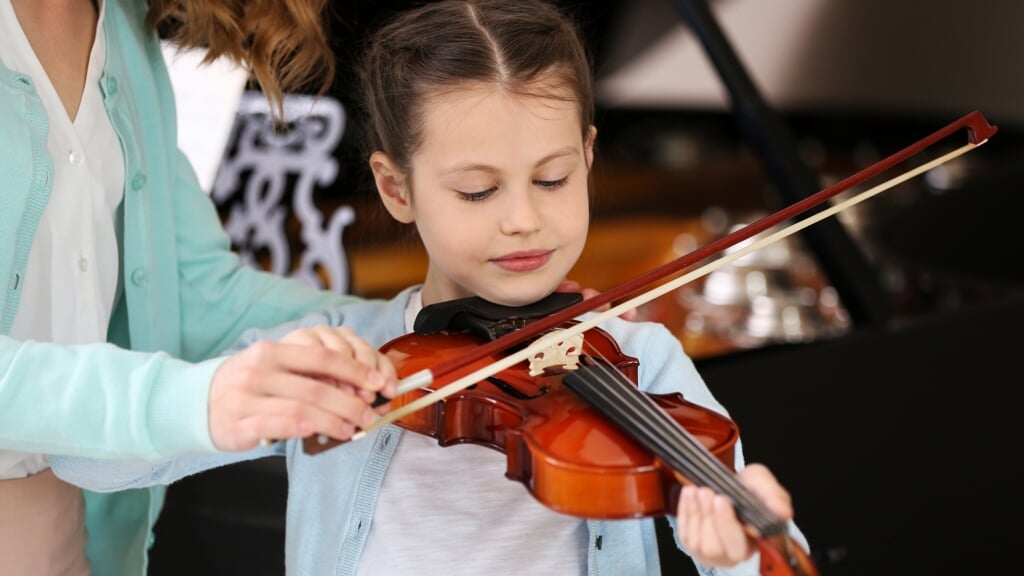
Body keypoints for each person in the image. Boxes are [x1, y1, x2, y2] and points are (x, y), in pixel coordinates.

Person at [52, 1, 812, 574]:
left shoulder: (643, 360)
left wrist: (742, 547)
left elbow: (768, 550)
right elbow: (90, 463)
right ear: (396, 188)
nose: (524, 220)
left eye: (552, 179)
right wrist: (236, 398)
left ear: (587, 155)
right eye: (478, 192)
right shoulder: (349, 359)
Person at [0, 0, 401, 574]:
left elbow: (195, 290)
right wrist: (193, 400)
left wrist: (414, 322)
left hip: (64, 521)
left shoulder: (120, 22)